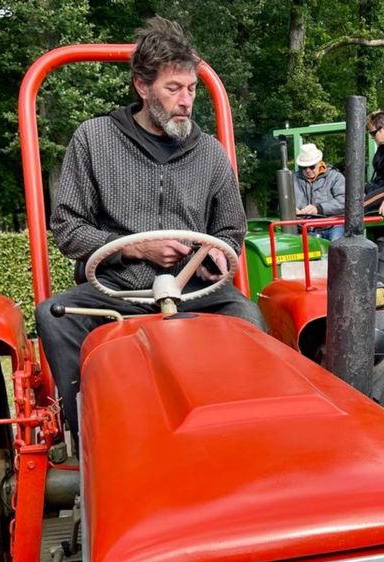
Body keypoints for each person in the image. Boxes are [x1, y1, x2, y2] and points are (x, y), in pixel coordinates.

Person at [35, 17, 265, 436]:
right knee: (54, 315)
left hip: (194, 292)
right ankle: (85, 435)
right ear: (143, 87)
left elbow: (231, 230)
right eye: (173, 89)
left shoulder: (210, 153)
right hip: (118, 292)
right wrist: (135, 248)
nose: (185, 101)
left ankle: (244, 432)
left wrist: (214, 255)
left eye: (192, 89)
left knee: (248, 316)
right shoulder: (94, 139)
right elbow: (67, 227)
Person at [293, 142, 346, 240]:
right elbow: (283, 205)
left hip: (333, 226)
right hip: (306, 229)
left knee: (336, 248)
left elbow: (346, 201)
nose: (308, 170)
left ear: (320, 163)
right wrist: (292, 212)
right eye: (303, 167)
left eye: (312, 166)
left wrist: (319, 208)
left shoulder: (335, 177)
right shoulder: (293, 179)